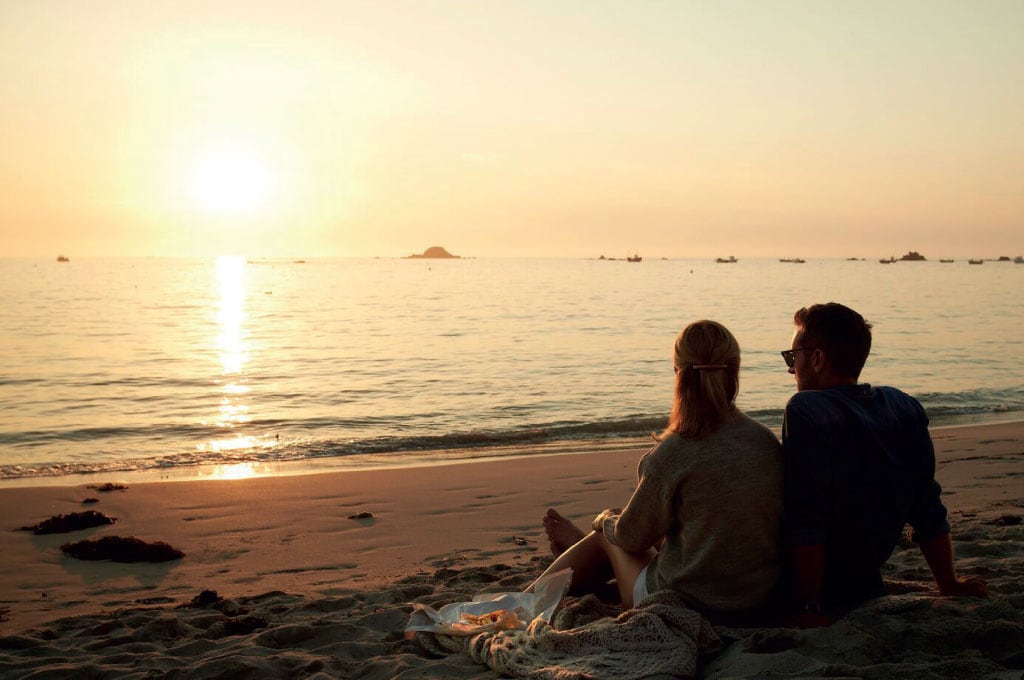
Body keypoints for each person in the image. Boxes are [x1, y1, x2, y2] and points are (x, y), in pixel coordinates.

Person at [527, 320, 783, 618]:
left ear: (678, 374)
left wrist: (606, 521)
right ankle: (587, 558)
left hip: (690, 604)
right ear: (735, 372)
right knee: (659, 525)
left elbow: (632, 539)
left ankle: (522, 601)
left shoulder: (673, 452)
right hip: (757, 600)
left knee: (609, 534)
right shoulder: (765, 441)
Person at [781, 302, 987, 626]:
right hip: (864, 574)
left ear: (818, 359)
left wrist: (808, 606)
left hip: (822, 585)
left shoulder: (807, 410)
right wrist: (949, 583)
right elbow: (927, 509)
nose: (792, 370)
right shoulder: (902, 407)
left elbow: (807, 516)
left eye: (793, 357)